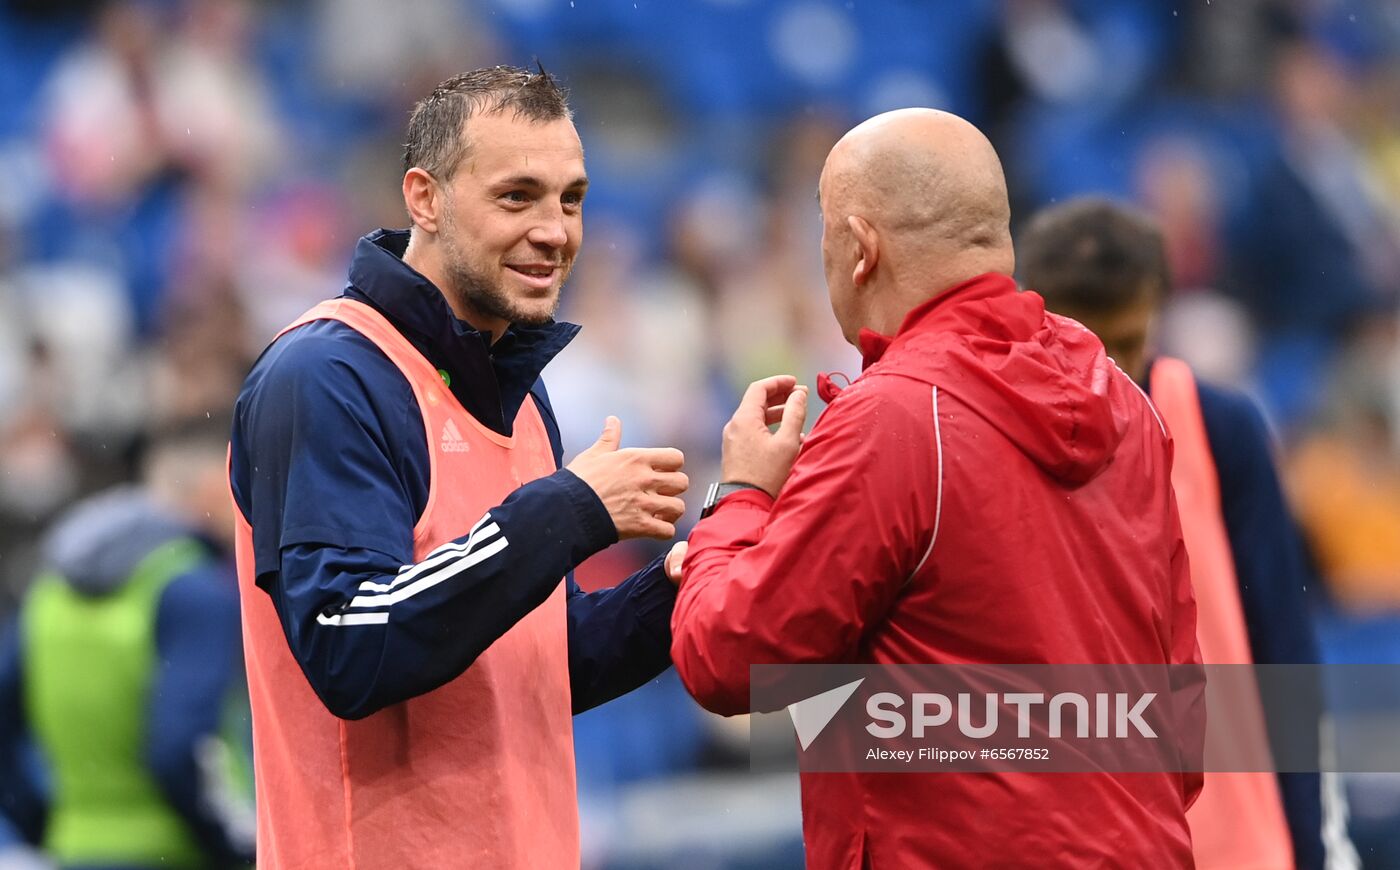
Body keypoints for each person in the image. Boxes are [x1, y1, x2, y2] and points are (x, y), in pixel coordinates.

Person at [669, 108, 1202, 867]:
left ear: (861, 248)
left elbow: (730, 660)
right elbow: (1181, 710)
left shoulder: (894, 420)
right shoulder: (1125, 398)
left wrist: (743, 500)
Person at [228, 66, 688, 868]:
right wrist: (569, 510)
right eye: (518, 197)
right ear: (424, 198)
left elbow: (539, 665)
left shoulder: (516, 391)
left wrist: (693, 569)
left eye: (571, 199)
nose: (555, 230)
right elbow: (349, 645)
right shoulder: (328, 376)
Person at [1018, 197, 1359, 870]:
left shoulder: (1219, 427)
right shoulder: (1006, 437)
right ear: (1037, 315)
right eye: (1086, 339)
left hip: (1230, 828)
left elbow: (1279, 637)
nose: (1109, 365)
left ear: (1160, 311)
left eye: (1129, 339)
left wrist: (1309, 841)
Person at [0, 417, 255, 869]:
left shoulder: (49, 592)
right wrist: (236, 843)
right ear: (209, 492)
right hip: (178, 853)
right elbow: (182, 748)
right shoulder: (194, 590)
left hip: (74, 848)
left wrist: (40, 821)